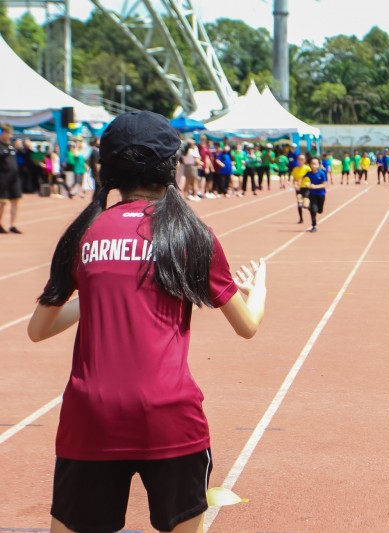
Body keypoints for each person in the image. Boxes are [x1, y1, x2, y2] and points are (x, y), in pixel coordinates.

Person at [26, 111, 267, 533]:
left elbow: (38, 329)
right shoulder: (191, 233)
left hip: (91, 418)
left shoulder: (83, 233)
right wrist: (259, 287)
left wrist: (98, 294)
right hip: (170, 418)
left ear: (109, 168)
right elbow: (247, 326)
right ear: (170, 167)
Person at [0, 123, 23, 233]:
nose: (10, 136)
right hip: (3, 178)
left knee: (15, 201)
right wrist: (12, 148)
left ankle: (12, 225)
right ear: (3, 133)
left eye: (11, 133)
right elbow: (2, 155)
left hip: (14, 179)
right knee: (2, 202)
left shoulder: (11, 146)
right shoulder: (2, 146)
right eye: (8, 133)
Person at [302, 156, 328, 232]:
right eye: (312, 164)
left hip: (321, 194)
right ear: (310, 165)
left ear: (319, 165)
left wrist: (315, 186)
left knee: (319, 210)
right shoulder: (308, 174)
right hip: (312, 194)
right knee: (313, 210)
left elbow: (324, 184)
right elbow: (302, 179)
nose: (313, 165)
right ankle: (314, 226)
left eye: (315, 164)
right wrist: (299, 184)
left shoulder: (322, 173)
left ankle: (317, 209)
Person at [291, 153, 312, 223]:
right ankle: (301, 219)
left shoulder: (307, 168)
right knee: (299, 203)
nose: (300, 161)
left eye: (302, 159)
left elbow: (312, 176)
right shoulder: (295, 169)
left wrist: (309, 183)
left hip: (306, 188)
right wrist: (295, 184)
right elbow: (294, 179)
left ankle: (312, 210)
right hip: (299, 189)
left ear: (305, 160)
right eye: (299, 159)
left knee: (305, 205)